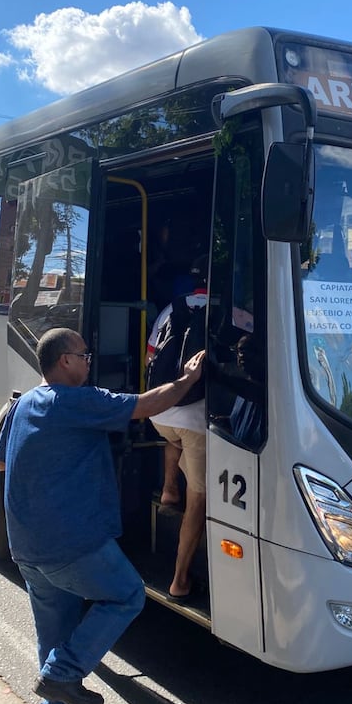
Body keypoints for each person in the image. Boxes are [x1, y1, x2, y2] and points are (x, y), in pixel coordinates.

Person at [0, 326, 204, 704]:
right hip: (70, 542)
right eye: (84, 355)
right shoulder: (75, 400)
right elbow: (147, 405)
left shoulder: (24, 403)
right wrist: (188, 379)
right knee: (126, 595)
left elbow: (0, 462)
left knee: (54, 630)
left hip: (27, 545)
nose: (90, 361)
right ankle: (63, 674)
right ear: (64, 361)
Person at [147, 256, 208, 601]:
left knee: (174, 435)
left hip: (161, 414)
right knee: (198, 499)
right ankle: (180, 579)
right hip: (196, 422)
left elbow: (149, 359)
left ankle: (170, 488)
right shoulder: (232, 314)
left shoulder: (170, 310)